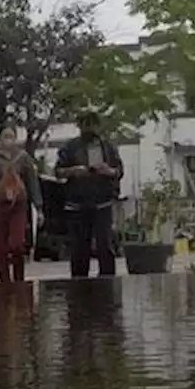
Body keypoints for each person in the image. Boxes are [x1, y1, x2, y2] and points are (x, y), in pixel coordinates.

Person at [54, 111, 123, 278]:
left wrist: (108, 171)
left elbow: (119, 171)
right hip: (77, 205)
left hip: (102, 203)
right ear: (79, 126)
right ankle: (79, 287)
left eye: (92, 124)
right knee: (79, 249)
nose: (89, 128)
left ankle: (107, 284)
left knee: (104, 246)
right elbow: (58, 171)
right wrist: (73, 171)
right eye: (85, 123)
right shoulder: (70, 147)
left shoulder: (107, 147)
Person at [0, 123, 43, 282]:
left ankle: (19, 280)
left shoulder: (23, 158)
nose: (8, 140)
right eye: (5, 136)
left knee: (17, 244)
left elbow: (32, 182)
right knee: (0, 248)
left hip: (18, 207)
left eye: (11, 136)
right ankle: (4, 283)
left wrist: (39, 206)